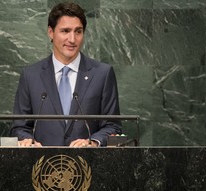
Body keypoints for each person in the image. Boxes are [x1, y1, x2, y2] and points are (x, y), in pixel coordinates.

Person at [10, 2, 122, 147]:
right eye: (65, 31)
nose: (72, 39)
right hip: (43, 165)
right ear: (51, 32)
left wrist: (93, 142)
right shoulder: (30, 76)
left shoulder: (103, 74)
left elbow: (113, 127)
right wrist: (27, 140)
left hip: (88, 165)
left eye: (78, 31)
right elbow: (19, 127)